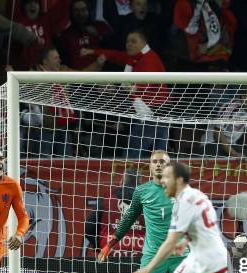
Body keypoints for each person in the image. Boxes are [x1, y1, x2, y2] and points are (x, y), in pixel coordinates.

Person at [82, 29, 169, 158]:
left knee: (133, 153)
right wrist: (94, 51)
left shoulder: (148, 60)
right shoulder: (135, 58)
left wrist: (118, 87)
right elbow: (116, 55)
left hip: (151, 113)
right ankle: (158, 177)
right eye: (127, 41)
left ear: (144, 43)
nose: (129, 44)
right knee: (159, 154)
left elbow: (143, 86)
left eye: (134, 41)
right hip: (160, 112)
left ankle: (127, 177)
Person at [84, 167, 145, 257]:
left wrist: (98, 246)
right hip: (140, 256)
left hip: (109, 253)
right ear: (140, 184)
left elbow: (89, 227)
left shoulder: (106, 200)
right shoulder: (148, 203)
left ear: (121, 182)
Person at [57, 0, 111, 71]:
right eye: (76, 10)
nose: (80, 13)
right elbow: (63, 63)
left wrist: (99, 35)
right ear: (71, 13)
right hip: (76, 78)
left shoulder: (100, 27)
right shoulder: (66, 35)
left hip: (100, 76)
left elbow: (112, 51)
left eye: (83, 9)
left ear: (89, 10)